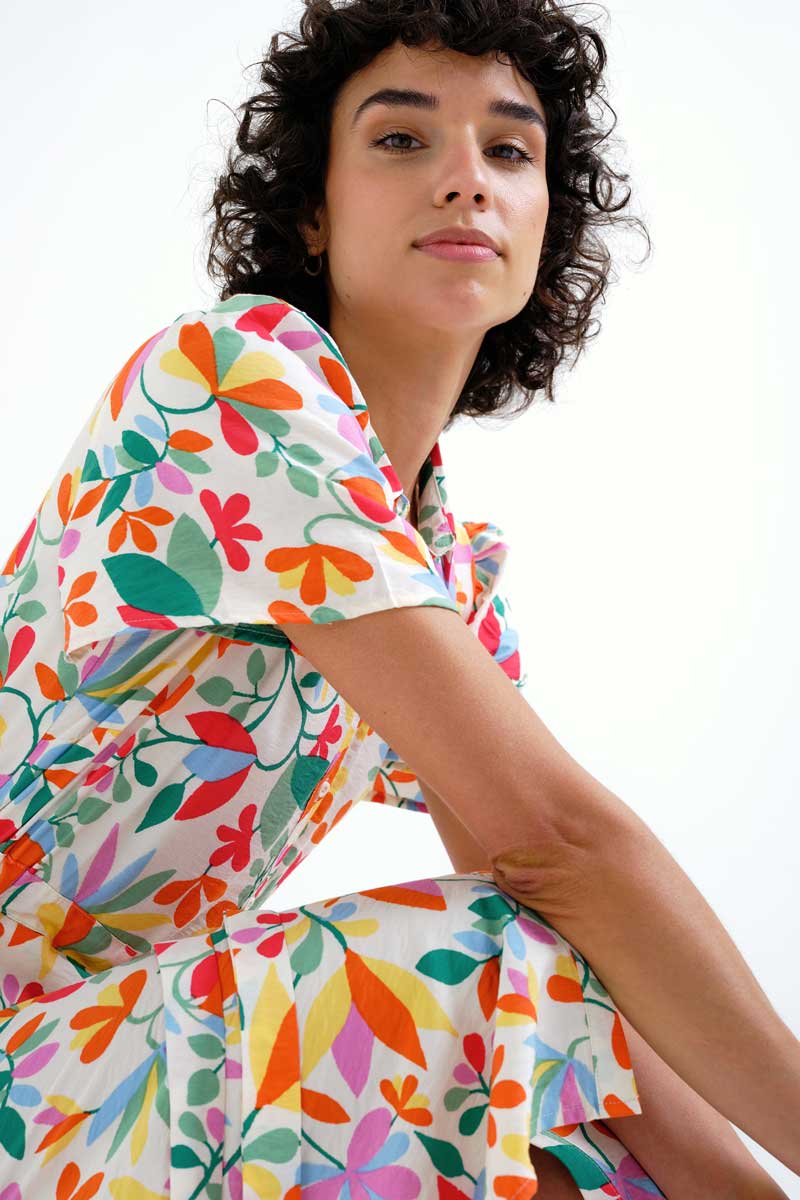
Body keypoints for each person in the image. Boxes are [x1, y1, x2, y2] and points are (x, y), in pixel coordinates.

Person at [0, 1, 797, 1197]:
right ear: (311, 212)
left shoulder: (443, 567)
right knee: (468, 963)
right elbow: (557, 849)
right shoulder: (229, 384)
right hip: (37, 1068)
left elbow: (565, 941)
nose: (465, 179)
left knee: (548, 1112)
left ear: (544, 221)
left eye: (508, 150)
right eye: (400, 139)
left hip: (108, 1074)